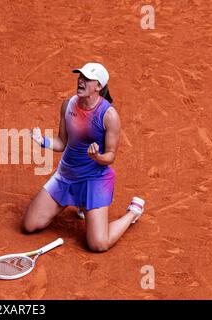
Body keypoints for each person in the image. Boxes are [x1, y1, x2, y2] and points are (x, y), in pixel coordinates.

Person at [23, 62, 145, 252]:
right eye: (80, 76)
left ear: (98, 86)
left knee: (98, 244)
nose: (81, 80)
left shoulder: (109, 116)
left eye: (87, 78)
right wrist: (43, 141)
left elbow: (110, 156)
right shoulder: (67, 105)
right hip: (66, 175)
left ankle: (132, 213)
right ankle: (81, 203)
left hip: (93, 179)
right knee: (29, 225)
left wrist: (97, 156)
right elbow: (62, 142)